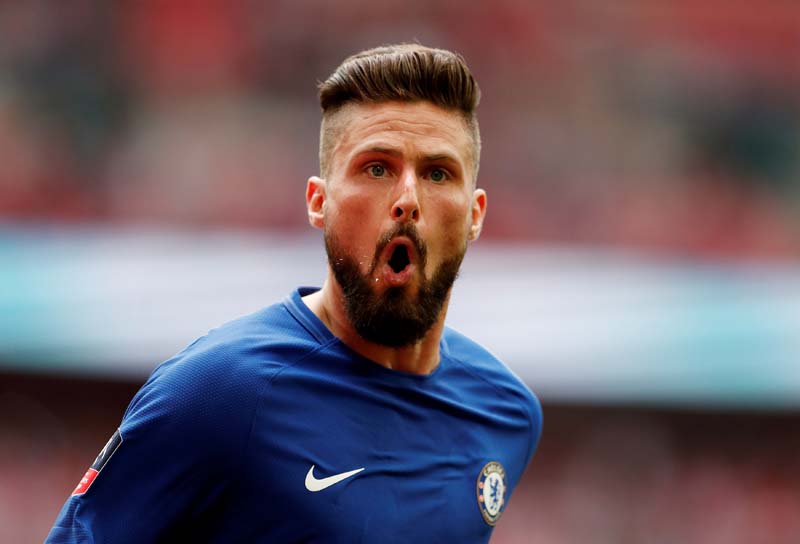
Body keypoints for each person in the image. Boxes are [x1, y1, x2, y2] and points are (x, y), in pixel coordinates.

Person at [46, 43, 543, 543]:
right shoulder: (218, 393)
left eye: (437, 173)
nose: (407, 199)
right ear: (319, 202)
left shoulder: (506, 413)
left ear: (475, 214)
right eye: (377, 169)